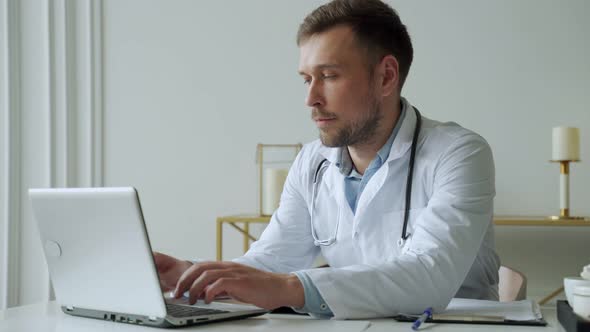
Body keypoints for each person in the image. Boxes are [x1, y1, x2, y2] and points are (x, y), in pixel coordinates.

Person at [154, 0, 500, 319]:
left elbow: (429, 276)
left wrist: (290, 287)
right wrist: (191, 274)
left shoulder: (458, 153)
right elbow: (271, 261)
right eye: (307, 79)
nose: (311, 98)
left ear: (386, 76)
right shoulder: (312, 161)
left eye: (329, 76)